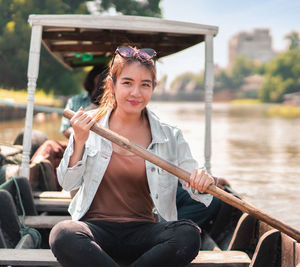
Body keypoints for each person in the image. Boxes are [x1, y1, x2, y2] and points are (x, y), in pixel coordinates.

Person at [49, 46, 216, 267]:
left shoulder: (169, 135)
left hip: (144, 231)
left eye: (145, 85)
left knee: (188, 234)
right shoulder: (89, 125)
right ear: (112, 85)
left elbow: (198, 192)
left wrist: (202, 181)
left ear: (153, 88)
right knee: (62, 233)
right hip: (95, 230)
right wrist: (79, 140)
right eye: (127, 83)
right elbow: (66, 182)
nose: (136, 93)